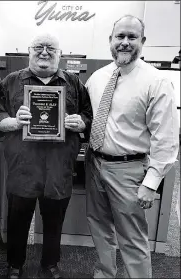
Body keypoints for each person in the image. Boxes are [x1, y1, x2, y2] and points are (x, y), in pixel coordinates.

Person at [0, 34, 93, 279]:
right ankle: (14, 264)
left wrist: (80, 122)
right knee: (17, 220)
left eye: (51, 48)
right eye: (39, 47)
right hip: (22, 166)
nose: (44, 52)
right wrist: (14, 122)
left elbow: (88, 116)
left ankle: (50, 264)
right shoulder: (11, 82)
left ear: (60, 53)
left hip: (59, 167)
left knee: (54, 220)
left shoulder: (75, 83)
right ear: (29, 51)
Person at [85, 15, 179, 278]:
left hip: (129, 169)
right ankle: (105, 273)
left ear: (143, 42)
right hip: (95, 164)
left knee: (132, 237)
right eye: (120, 37)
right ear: (110, 41)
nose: (125, 43)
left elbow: (166, 138)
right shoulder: (97, 77)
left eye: (132, 37)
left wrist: (151, 184)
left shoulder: (156, 81)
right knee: (99, 227)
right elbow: (88, 117)